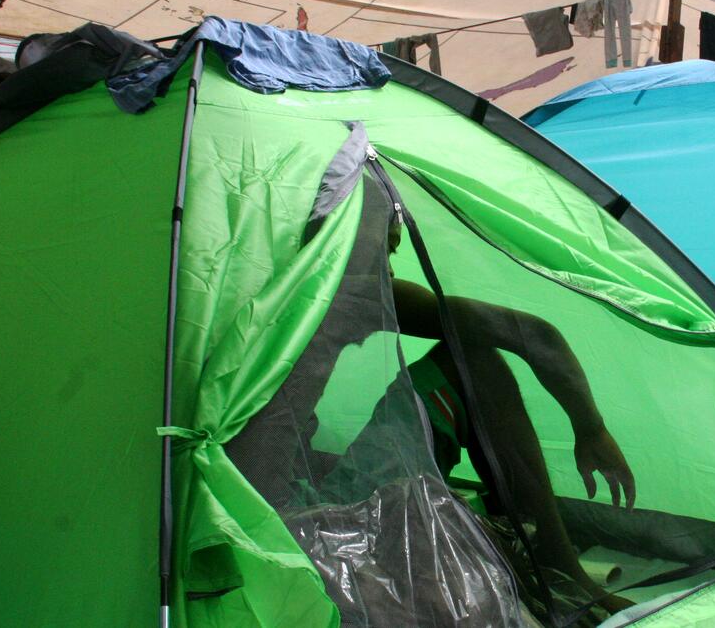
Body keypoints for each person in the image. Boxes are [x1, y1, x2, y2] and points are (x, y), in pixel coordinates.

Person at [225, 182, 635, 616]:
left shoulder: (372, 294)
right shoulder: (267, 303)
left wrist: (592, 430)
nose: (389, 268)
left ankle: (559, 562)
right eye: (382, 248)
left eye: (392, 252)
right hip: (265, 512)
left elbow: (530, 334)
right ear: (335, 239)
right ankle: (511, 552)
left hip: (313, 484)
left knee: (470, 358)